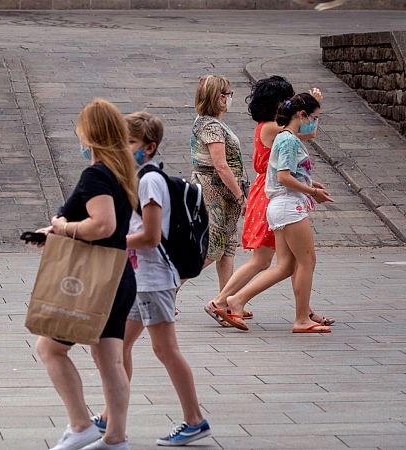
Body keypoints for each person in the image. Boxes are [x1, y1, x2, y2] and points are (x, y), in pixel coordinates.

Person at [93, 112, 211, 447]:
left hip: (153, 280)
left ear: (149, 147)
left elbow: (151, 235)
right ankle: (109, 419)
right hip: (138, 279)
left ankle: (195, 420)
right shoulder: (136, 178)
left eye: (129, 143)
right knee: (118, 349)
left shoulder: (148, 181)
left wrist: (113, 239)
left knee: (166, 350)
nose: (122, 148)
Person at [33, 99, 138, 450]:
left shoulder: (96, 174)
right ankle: (115, 438)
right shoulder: (122, 173)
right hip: (117, 273)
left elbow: (102, 225)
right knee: (109, 358)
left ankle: (81, 424)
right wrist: (54, 232)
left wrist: (63, 228)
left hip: (95, 280)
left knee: (49, 348)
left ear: (89, 134)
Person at [204, 77, 334, 327]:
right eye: (289, 100)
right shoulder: (277, 128)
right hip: (273, 194)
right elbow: (309, 134)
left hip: (272, 192)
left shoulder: (272, 127)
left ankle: (302, 310)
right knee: (268, 260)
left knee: (284, 260)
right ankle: (222, 301)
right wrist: (313, 104)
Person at [190, 75, 247, 291]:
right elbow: (221, 165)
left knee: (228, 247)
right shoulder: (211, 126)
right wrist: (241, 196)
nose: (230, 98)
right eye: (228, 94)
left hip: (223, 192)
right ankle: (171, 286)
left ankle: (226, 300)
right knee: (215, 246)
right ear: (219, 97)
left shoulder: (209, 122)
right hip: (215, 191)